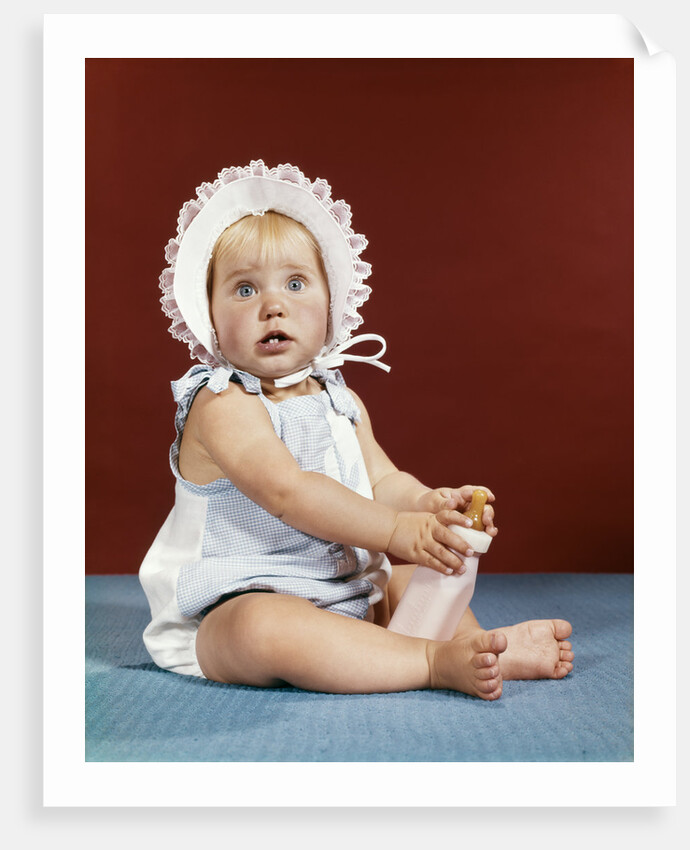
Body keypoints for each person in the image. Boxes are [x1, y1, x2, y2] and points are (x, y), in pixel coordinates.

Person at [140, 160, 574, 700]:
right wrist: (396, 532)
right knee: (264, 628)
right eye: (244, 290)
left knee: (413, 576)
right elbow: (287, 492)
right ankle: (432, 661)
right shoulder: (221, 401)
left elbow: (381, 479)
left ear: (330, 303)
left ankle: (483, 648)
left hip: (347, 591)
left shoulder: (337, 398)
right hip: (234, 602)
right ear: (209, 316)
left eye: (295, 283)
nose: (273, 305)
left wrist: (425, 505)